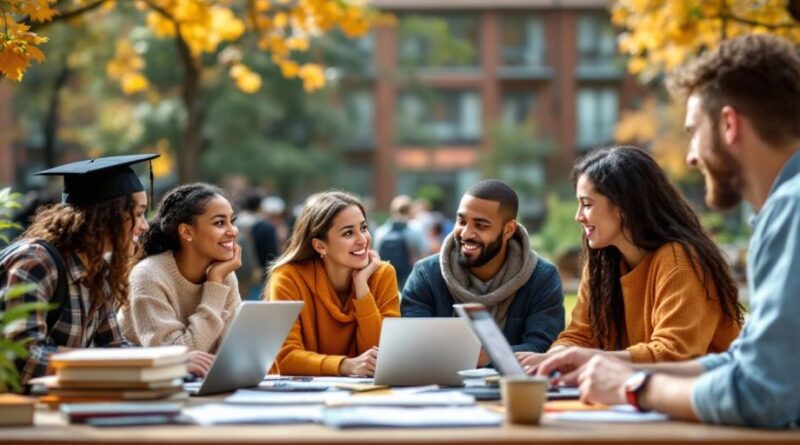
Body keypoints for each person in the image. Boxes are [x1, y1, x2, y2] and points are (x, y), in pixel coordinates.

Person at [536, 34, 800, 428]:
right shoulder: (781, 211)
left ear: (729, 124)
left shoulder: (790, 209)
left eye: (693, 131)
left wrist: (634, 388)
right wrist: (602, 363)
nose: (691, 155)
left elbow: (763, 393)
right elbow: (744, 362)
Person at [518, 147, 742, 372]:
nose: (578, 217)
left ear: (623, 206)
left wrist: (584, 358)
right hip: (644, 395)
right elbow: (580, 335)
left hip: (705, 397)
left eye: (587, 204)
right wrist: (553, 358)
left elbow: (674, 353)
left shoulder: (679, 261)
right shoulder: (603, 264)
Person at [0, 155, 212, 386]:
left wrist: (171, 361)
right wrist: (106, 361)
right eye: (139, 213)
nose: (145, 225)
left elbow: (113, 347)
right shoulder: (36, 262)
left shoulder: (100, 272)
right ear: (107, 215)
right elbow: (23, 358)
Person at [402, 180, 564, 360]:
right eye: (461, 221)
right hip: (439, 386)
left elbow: (542, 348)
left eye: (481, 225)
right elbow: (414, 346)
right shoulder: (426, 275)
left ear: (508, 230)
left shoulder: (542, 277)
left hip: (511, 386)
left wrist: (480, 356)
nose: (466, 233)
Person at [266, 191, 400, 376]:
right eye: (348, 233)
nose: (362, 240)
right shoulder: (288, 277)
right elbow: (285, 358)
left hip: (366, 395)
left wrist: (362, 288)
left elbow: (384, 354)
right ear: (320, 246)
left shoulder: (382, 274)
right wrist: (345, 366)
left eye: (363, 228)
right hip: (298, 397)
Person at [118, 183, 242, 354]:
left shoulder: (224, 275)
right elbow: (176, 354)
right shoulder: (148, 275)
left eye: (232, 221)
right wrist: (214, 285)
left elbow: (230, 350)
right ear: (186, 232)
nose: (233, 231)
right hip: (136, 378)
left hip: (197, 379)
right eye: (220, 223)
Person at [374, 195, 427, 289]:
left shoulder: (381, 231)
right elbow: (423, 255)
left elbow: (376, 254)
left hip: (386, 274)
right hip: (408, 275)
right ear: (410, 210)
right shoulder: (415, 229)